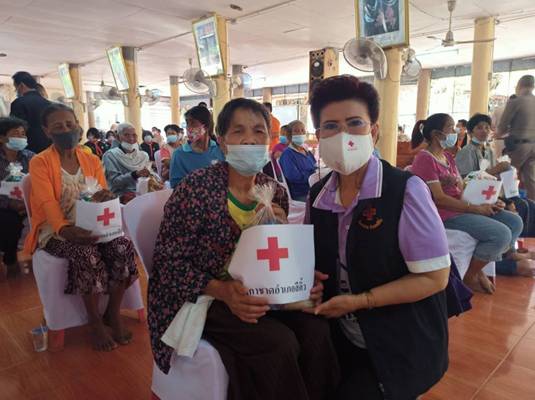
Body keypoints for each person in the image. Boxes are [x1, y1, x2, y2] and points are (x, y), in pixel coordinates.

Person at [148, 98, 339, 400]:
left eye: (259, 131)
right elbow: (168, 265)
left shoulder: (273, 192)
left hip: (260, 292)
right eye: (238, 131)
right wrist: (222, 291)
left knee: (317, 330)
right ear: (222, 142)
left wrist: (300, 280)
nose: (250, 139)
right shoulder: (196, 189)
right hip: (202, 297)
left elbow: (277, 257)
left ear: (269, 140)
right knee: (278, 343)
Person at [307, 75, 450, 400]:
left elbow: (434, 277)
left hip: (400, 341)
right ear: (319, 137)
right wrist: (310, 279)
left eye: (354, 123)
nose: (343, 135)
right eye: (331, 126)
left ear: (373, 131)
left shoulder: (405, 190)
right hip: (340, 335)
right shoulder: (318, 196)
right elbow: (316, 260)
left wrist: (362, 301)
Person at [23, 104, 138, 351]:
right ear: (47, 131)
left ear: (78, 125)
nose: (66, 130)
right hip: (54, 230)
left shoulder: (91, 159)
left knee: (122, 247)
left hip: (91, 223)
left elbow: (100, 193)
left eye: (70, 124)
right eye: (58, 126)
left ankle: (112, 314)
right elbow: (46, 202)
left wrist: (105, 197)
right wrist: (65, 229)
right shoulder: (40, 162)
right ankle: (94, 321)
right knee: (87, 254)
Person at [411, 113, 523, 294]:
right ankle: (471, 275)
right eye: (451, 128)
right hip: (444, 213)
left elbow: (463, 187)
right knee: (501, 234)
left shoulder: (448, 157)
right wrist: (475, 209)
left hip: (462, 206)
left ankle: (482, 266)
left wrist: (489, 202)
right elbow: (438, 198)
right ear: (436, 134)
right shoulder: (425, 159)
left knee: (514, 222)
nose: (456, 133)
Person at [456, 113, 535, 239]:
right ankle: (514, 243)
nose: (484, 131)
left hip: (491, 193)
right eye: (479, 128)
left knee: (530, 204)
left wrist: (503, 173)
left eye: (487, 127)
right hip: (475, 197)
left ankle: (524, 241)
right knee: (521, 205)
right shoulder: (466, 152)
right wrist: (496, 170)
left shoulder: (488, 150)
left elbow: (494, 177)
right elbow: (465, 180)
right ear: (470, 132)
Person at [0, 117, 34, 275]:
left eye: (23, 134)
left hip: (31, 204)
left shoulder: (32, 157)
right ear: (2, 138)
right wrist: (9, 204)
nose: (21, 137)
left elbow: (42, 182)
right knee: (8, 221)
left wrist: (28, 203)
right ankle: (10, 259)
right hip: (4, 207)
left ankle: (39, 257)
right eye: (15, 134)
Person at [498, 75, 535, 200]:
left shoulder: (516, 102)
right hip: (534, 146)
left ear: (519, 85)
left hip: (519, 145)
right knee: (531, 180)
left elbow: (502, 126)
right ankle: (532, 206)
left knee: (507, 174)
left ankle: (507, 203)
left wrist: (499, 133)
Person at [169, 105, 224, 188]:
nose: (189, 128)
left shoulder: (220, 150)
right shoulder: (179, 154)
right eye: (187, 123)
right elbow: (175, 185)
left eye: (193, 123)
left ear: (206, 126)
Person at [102, 123, 151, 202]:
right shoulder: (110, 155)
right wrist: (134, 175)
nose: (131, 139)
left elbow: (148, 176)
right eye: (126, 135)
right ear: (118, 137)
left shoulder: (143, 155)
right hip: (121, 197)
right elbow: (114, 182)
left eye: (134, 135)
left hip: (143, 194)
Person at [10, 71, 52, 153]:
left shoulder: (19, 103)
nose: (16, 91)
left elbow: (15, 127)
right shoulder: (49, 104)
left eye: (16, 88)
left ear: (21, 85)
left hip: (28, 149)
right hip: (48, 149)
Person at [279, 120, 316, 201]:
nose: (300, 133)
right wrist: (313, 176)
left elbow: (315, 167)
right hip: (301, 193)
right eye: (296, 131)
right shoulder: (287, 154)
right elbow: (293, 176)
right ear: (289, 135)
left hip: (313, 188)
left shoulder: (307, 151)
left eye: (302, 130)